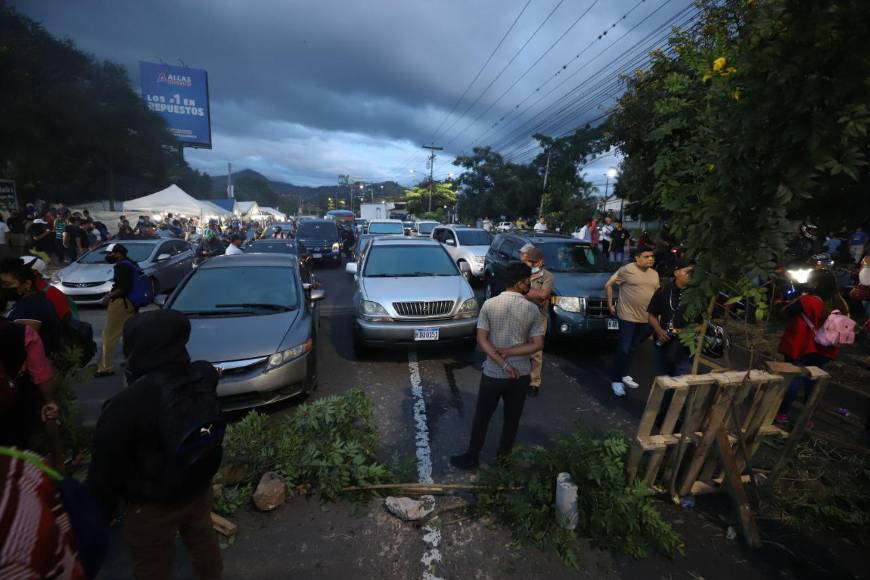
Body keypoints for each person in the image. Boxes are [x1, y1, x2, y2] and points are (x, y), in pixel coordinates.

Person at [87, 309, 224, 580]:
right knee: (203, 541)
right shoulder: (202, 375)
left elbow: (105, 469)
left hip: (151, 504)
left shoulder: (128, 404)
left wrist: (98, 513)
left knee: (152, 564)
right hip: (196, 486)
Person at [450, 263, 545, 470]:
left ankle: (472, 457)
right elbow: (537, 344)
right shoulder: (532, 309)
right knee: (512, 420)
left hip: (493, 373)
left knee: (482, 416)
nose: (529, 284)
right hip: (520, 375)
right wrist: (511, 353)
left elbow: (482, 339)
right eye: (527, 281)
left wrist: (502, 361)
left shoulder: (490, 305)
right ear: (520, 283)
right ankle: (503, 461)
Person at [776, 269, 850, 424]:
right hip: (824, 350)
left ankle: (782, 414)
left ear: (816, 283)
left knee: (794, 379)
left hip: (802, 346)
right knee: (813, 384)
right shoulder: (840, 303)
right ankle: (807, 419)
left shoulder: (808, 300)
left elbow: (786, 313)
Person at [605, 248, 659, 396]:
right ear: (637, 258)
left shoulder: (654, 274)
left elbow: (656, 294)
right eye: (646, 256)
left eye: (652, 256)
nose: (650, 259)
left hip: (645, 318)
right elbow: (608, 284)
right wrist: (610, 304)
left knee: (632, 348)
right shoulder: (626, 270)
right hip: (627, 316)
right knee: (624, 348)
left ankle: (624, 373)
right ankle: (616, 380)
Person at [0, 259, 62, 355]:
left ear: (27, 284)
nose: (4, 288)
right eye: (2, 284)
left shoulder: (30, 308)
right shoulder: (35, 300)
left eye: (8, 284)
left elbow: (21, 346)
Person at [95, 244, 138, 378]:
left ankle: (106, 367)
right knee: (129, 333)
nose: (108, 256)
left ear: (118, 253)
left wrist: (108, 297)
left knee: (109, 334)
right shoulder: (131, 263)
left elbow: (123, 287)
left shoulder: (122, 266)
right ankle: (131, 362)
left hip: (121, 302)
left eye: (110, 254)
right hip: (132, 303)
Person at [647, 260, 695, 377]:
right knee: (662, 380)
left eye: (694, 273)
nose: (691, 275)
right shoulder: (663, 290)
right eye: (688, 272)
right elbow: (651, 315)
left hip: (686, 346)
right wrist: (659, 330)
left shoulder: (697, 295)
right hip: (663, 341)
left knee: (681, 383)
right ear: (676, 272)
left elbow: (705, 321)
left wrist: (689, 332)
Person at [520, 245, 554, 397]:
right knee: (518, 348)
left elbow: (543, 295)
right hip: (520, 314)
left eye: (533, 262)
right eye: (529, 262)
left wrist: (524, 291)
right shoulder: (521, 273)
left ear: (540, 262)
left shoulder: (548, 276)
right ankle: (518, 377)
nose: (531, 265)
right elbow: (514, 290)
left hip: (539, 317)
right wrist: (534, 293)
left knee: (535, 353)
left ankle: (534, 382)